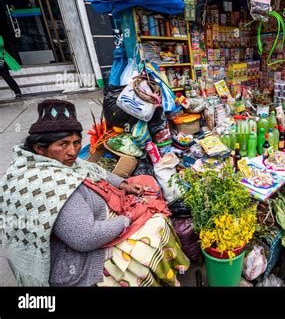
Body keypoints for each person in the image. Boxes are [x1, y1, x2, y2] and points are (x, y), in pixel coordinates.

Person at [0, 99, 189, 286]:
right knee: (157, 224)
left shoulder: (49, 162)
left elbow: (94, 170)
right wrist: (127, 218)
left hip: (91, 220)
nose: (72, 151)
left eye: (75, 142)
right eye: (63, 144)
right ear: (39, 148)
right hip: (73, 260)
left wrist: (123, 184)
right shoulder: (51, 187)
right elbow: (86, 238)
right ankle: (151, 276)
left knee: (145, 182)